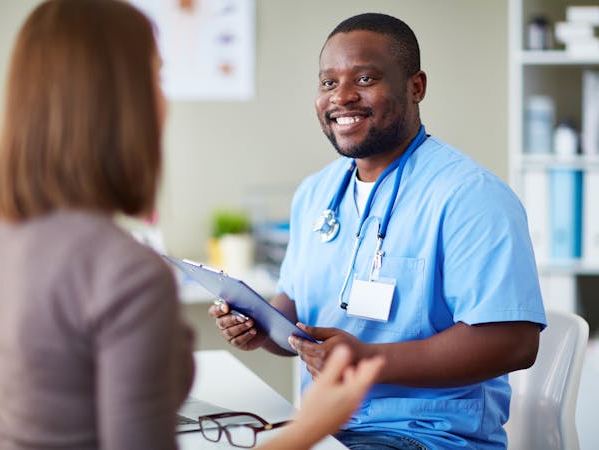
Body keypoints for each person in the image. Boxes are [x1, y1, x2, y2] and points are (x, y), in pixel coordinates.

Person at [0, 1, 383, 449]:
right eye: (157, 77)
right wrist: (311, 427)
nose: (164, 99)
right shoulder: (127, 273)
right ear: (124, 103)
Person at [210, 12, 547, 450]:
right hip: (325, 427)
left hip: (425, 437)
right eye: (328, 83)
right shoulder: (314, 194)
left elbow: (513, 342)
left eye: (365, 78)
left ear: (416, 86)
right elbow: (294, 313)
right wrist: (259, 326)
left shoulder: (472, 197)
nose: (342, 97)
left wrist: (368, 359)